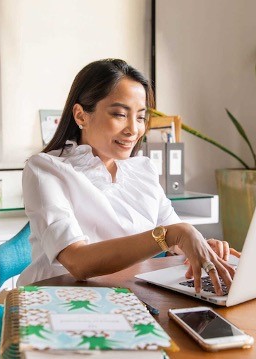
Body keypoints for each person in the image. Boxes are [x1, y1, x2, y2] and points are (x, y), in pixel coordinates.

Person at [17, 59, 237, 295]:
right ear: (81, 116)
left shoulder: (142, 170)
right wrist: (173, 235)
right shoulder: (45, 170)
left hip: (128, 296)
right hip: (59, 303)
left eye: (141, 117)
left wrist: (199, 246)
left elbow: (174, 237)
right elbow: (77, 262)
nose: (133, 129)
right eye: (120, 114)